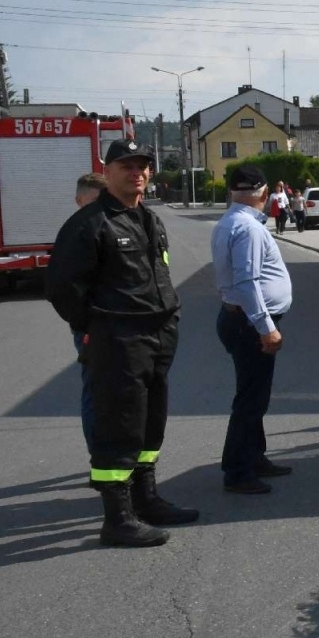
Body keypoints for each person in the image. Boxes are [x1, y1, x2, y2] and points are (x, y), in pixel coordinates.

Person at [45, 140, 197, 547]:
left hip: (157, 335)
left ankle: (146, 499)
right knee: (119, 424)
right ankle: (117, 518)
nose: (138, 173)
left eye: (143, 166)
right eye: (127, 166)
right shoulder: (90, 224)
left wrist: (170, 318)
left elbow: (158, 273)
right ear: (107, 170)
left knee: (150, 421)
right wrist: (90, 327)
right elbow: (61, 286)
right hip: (117, 339)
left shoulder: (148, 219)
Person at [211, 164, 295, 494]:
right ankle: (238, 470)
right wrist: (266, 327)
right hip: (249, 322)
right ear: (263, 193)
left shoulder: (229, 222)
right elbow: (247, 282)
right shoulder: (248, 228)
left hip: (238, 319)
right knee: (251, 400)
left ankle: (254, 456)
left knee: (253, 394)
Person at [69, 173, 109, 452]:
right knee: (95, 392)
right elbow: (64, 290)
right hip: (92, 326)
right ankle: (98, 455)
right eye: (94, 201)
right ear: (79, 201)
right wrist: (85, 324)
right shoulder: (74, 235)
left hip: (118, 325)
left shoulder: (108, 228)